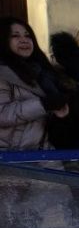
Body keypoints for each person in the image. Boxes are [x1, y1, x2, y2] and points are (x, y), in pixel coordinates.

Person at [0, 17, 69, 151]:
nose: (24, 40)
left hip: (41, 154)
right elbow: (2, 115)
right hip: (9, 157)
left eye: (28, 36)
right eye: (15, 36)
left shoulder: (44, 74)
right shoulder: (2, 74)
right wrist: (43, 104)